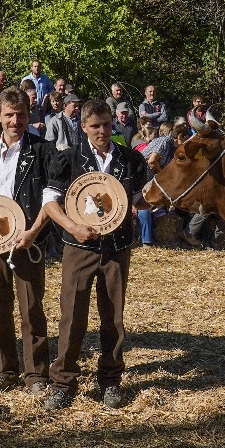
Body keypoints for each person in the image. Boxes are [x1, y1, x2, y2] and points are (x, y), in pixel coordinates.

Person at [40, 98, 150, 411]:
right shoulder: (69, 158)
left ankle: (111, 381)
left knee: (113, 318)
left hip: (117, 249)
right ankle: (63, 383)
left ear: (112, 123)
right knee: (72, 316)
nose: (102, 130)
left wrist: (137, 205)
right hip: (78, 248)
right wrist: (72, 226)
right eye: (95, 126)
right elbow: (50, 202)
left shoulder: (130, 159)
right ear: (83, 127)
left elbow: (146, 196)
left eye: (106, 124)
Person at [0, 87, 62, 397]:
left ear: (28, 116)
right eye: (9, 115)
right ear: (0, 117)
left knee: (31, 306)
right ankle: (3, 371)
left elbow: (50, 197)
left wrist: (33, 233)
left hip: (27, 236)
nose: (14, 120)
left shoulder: (43, 150)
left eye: (20, 115)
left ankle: (36, 375)